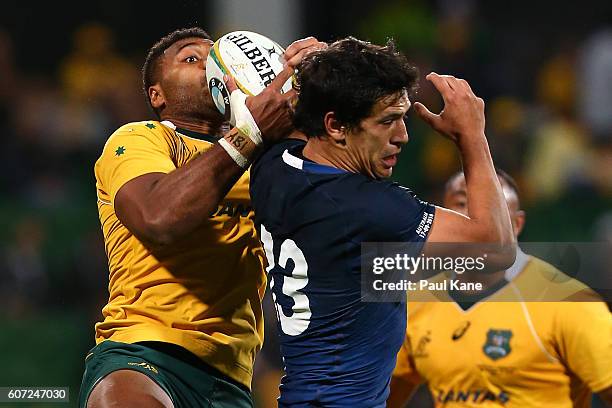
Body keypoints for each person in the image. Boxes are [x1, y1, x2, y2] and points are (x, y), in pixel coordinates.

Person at [249, 37, 515, 407]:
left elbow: (300, 118)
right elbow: (496, 250)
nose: (403, 135)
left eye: (403, 117)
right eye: (387, 121)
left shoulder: (273, 164)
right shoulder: (367, 208)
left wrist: (327, 65)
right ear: (337, 126)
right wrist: (471, 135)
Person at [78, 27, 324, 408]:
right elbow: (158, 217)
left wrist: (329, 84)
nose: (210, 63)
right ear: (156, 95)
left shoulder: (273, 160)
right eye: (191, 58)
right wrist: (251, 133)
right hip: (143, 354)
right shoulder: (144, 138)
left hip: (234, 381)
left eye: (216, 55)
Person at [387, 170, 612, 408]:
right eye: (463, 204)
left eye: (493, 207)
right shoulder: (415, 303)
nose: (478, 218)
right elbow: (380, 398)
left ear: (516, 224)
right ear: (442, 220)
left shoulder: (569, 302)